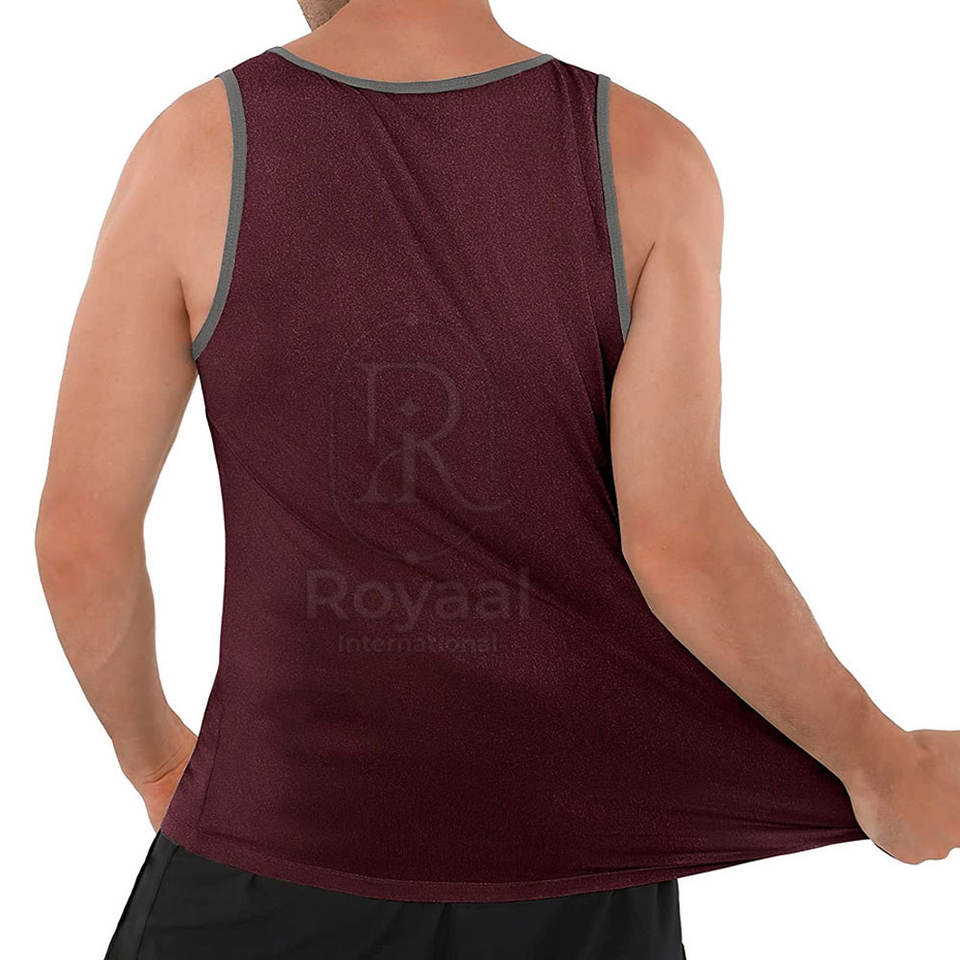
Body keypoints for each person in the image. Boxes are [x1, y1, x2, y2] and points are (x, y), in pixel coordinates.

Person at [36, 0, 959, 956]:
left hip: (269, 838)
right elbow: (682, 543)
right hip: (577, 863)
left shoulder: (196, 149)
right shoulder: (645, 155)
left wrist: (155, 762)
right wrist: (883, 766)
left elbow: (80, 541)